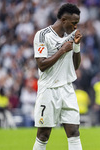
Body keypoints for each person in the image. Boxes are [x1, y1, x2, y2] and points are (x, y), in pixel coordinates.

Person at [32, 3, 83, 150]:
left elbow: (75, 66)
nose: (75, 27)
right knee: (43, 134)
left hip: (67, 88)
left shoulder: (72, 35)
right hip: (48, 90)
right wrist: (62, 50)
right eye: (74, 23)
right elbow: (41, 64)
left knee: (74, 132)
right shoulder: (42, 35)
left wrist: (77, 47)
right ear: (64, 20)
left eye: (77, 23)